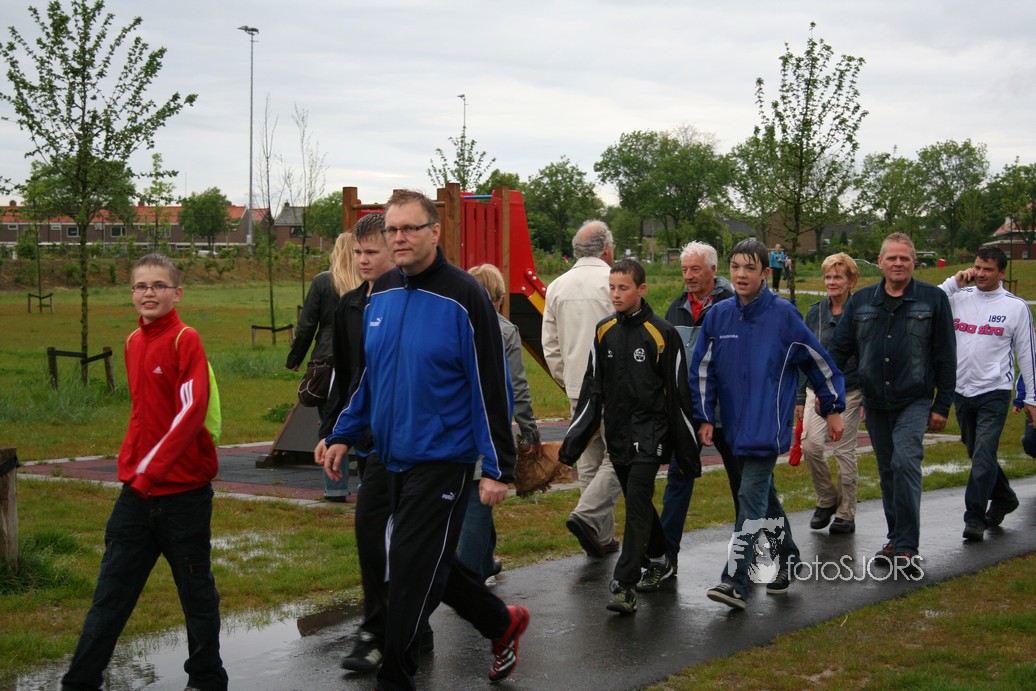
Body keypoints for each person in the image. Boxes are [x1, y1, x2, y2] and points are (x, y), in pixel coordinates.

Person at [319, 190, 529, 690]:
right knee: (418, 560)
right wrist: (343, 432)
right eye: (392, 230)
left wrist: (498, 467)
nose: (399, 238)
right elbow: (370, 377)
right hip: (387, 455)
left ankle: (396, 678)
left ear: (434, 232)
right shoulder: (383, 292)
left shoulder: (464, 296)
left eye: (409, 228)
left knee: (411, 575)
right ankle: (500, 622)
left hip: (443, 459)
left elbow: (490, 385)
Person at [62, 253, 228, 691]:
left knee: (196, 593)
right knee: (110, 594)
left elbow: (191, 412)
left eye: (158, 285)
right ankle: (79, 681)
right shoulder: (133, 342)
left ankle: (206, 679)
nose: (149, 293)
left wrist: (149, 472)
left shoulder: (185, 339)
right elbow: (142, 414)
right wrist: (131, 466)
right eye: (140, 286)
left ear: (177, 293)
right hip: (137, 494)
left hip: (184, 494)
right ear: (131, 293)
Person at [693, 239, 845, 610]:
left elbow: (817, 361)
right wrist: (705, 416)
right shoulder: (718, 316)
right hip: (732, 426)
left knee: (749, 497)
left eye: (750, 268)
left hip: (766, 425)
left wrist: (832, 406)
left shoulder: (783, 315)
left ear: (765, 272)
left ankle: (735, 581)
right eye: (736, 267)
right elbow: (702, 371)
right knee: (763, 498)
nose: (741, 274)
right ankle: (788, 557)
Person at [315, 214, 436, 673]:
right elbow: (349, 378)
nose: (363, 261)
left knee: (408, 541)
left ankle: (405, 626)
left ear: (394, 251)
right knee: (373, 535)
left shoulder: (417, 301)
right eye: (358, 253)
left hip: (416, 442)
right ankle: (381, 628)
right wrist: (333, 433)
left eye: (372, 252)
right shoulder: (349, 306)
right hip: (369, 440)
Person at [560, 259, 700, 614]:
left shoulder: (662, 333)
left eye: (623, 288)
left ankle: (624, 584)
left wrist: (687, 450)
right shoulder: (604, 331)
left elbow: (679, 395)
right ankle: (661, 558)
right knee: (639, 502)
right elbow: (593, 390)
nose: (616, 294)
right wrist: (572, 444)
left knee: (636, 503)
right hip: (618, 435)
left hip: (651, 435)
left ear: (642, 289)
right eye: (612, 288)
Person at [828, 232, 955, 575]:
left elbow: (945, 356)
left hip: (914, 399)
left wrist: (942, 404)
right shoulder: (862, 302)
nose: (898, 263)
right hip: (875, 402)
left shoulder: (933, 299)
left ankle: (907, 546)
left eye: (904, 258)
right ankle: (895, 538)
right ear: (880, 262)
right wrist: (827, 394)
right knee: (887, 471)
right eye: (892, 258)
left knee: (905, 463)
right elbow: (838, 350)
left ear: (914, 262)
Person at [938, 246, 1035, 540]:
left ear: (1001, 273)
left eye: (988, 269)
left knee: (983, 454)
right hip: (961, 391)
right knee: (975, 450)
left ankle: (975, 517)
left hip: (995, 391)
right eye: (977, 267)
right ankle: (1004, 496)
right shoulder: (958, 297)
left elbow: (1027, 355)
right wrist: (954, 283)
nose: (980, 274)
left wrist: (1031, 398)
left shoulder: (1015, 307)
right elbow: (926, 303)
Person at [542, 220, 622, 557]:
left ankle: (600, 536)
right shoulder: (614, 283)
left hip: (578, 387)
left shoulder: (557, 286)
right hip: (616, 386)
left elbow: (550, 344)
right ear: (606, 249)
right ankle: (588, 518)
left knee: (589, 460)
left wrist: (568, 380)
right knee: (621, 455)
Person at [659, 241, 739, 572]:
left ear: (713, 270)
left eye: (695, 269)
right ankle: (666, 557)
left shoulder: (733, 304)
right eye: (684, 270)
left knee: (745, 485)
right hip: (688, 412)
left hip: (728, 412)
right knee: (678, 481)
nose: (689, 276)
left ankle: (759, 554)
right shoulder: (676, 307)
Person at [459, 263, 541, 581]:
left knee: (473, 495)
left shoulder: (453, 323)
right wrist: (529, 429)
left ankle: (484, 561)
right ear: (498, 297)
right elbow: (517, 386)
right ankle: (469, 577)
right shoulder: (505, 330)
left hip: (453, 423)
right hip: (489, 425)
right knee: (478, 499)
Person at [795, 253, 865, 534]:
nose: (832, 282)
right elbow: (804, 353)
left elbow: (868, 355)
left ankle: (846, 512)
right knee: (810, 446)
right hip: (818, 388)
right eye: (828, 277)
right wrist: (801, 398)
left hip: (851, 390)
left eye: (838, 277)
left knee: (843, 450)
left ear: (851, 281)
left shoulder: (861, 312)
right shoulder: (815, 312)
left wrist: (867, 396)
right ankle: (826, 498)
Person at [287, 231, 359, 501]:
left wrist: (295, 358)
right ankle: (370, 483)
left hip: (327, 360)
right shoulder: (367, 283)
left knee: (329, 422)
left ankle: (335, 487)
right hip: (360, 359)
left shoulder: (323, 282)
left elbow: (307, 325)